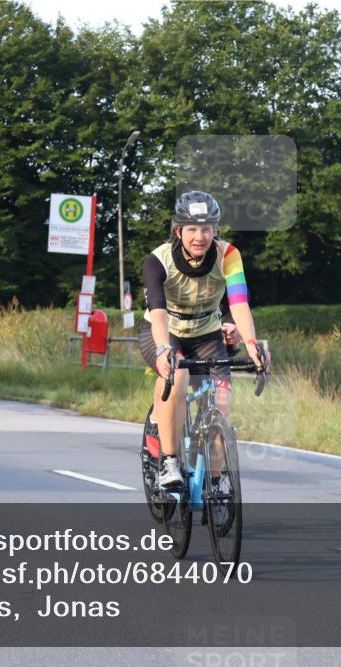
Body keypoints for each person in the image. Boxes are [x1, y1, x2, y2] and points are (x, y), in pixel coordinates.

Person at [139, 191, 267, 488]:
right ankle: (169, 461)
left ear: (215, 230)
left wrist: (251, 343)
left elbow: (238, 302)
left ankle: (215, 484)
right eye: (192, 229)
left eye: (207, 229)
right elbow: (158, 314)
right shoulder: (158, 261)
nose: (200, 237)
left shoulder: (228, 255)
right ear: (178, 231)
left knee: (222, 402)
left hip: (207, 333)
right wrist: (164, 350)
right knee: (178, 376)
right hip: (164, 332)